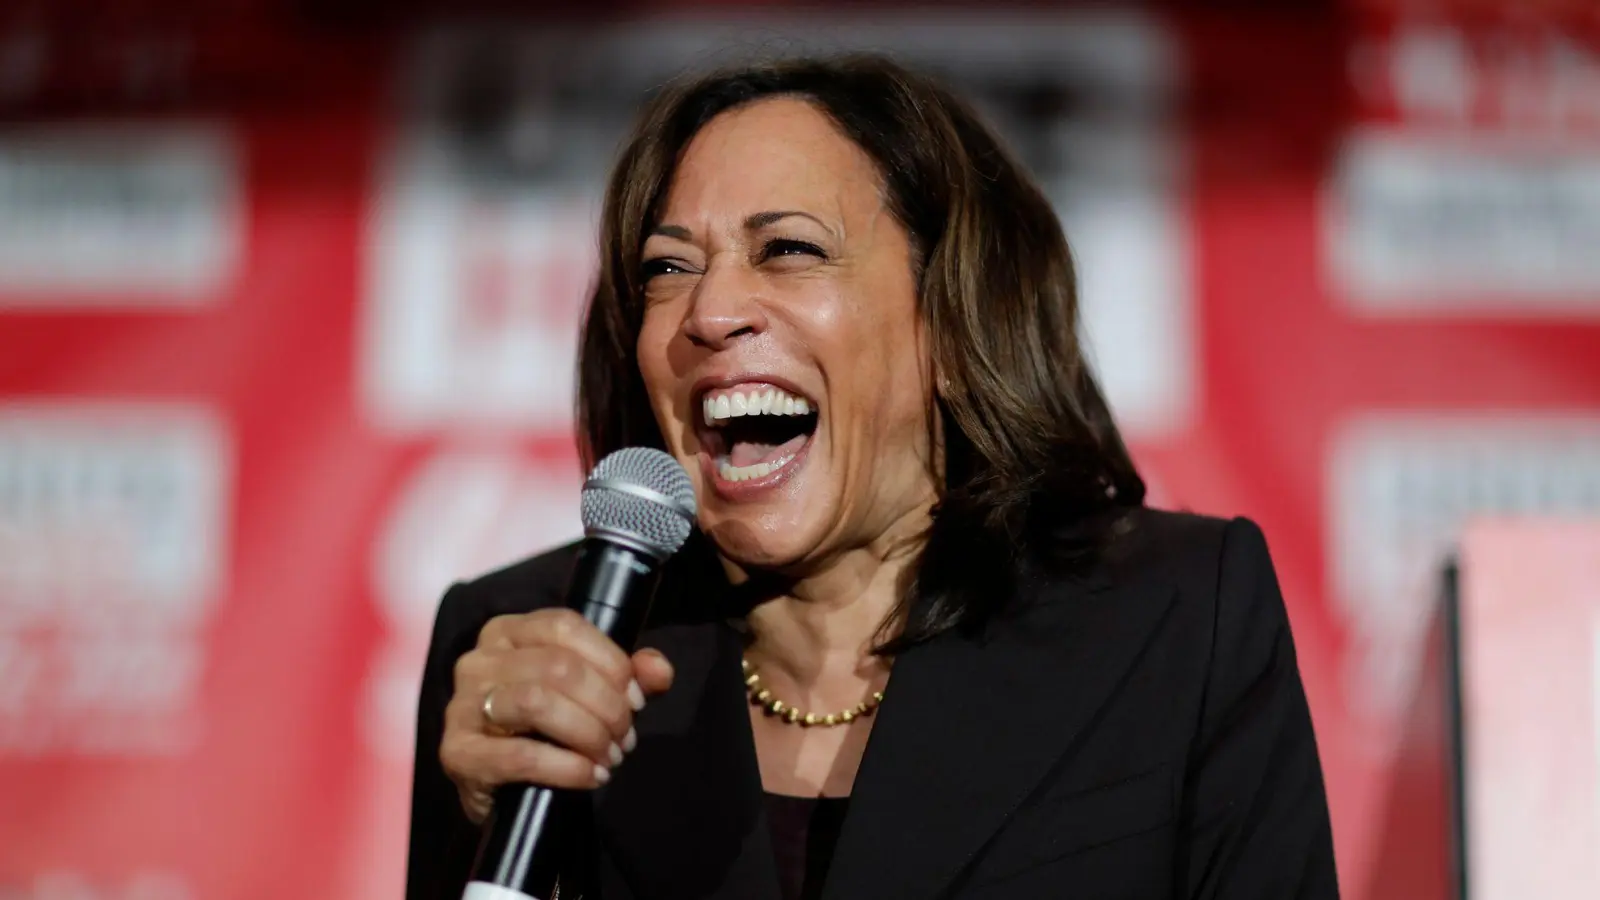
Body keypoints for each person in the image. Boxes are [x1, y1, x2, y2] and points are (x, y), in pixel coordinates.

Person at [406, 54, 1338, 900]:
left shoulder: (1174, 621)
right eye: (666, 268)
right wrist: (482, 824)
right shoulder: (528, 649)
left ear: (954, 320)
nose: (710, 311)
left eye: (789, 249)